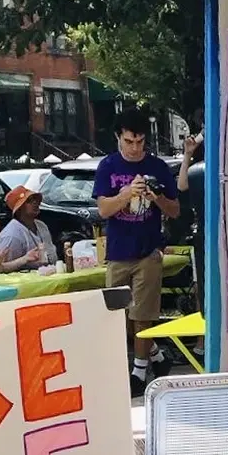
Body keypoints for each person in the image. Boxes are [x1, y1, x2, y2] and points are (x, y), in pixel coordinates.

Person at [94, 107, 181, 395]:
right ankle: (156, 356)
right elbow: (104, 209)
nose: (134, 148)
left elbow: (175, 210)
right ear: (118, 138)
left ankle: (139, 370)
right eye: (129, 141)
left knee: (142, 314)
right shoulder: (108, 167)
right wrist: (126, 193)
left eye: (140, 142)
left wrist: (156, 197)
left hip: (148, 250)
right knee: (119, 314)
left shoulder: (157, 167)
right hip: (118, 251)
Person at [177, 130, 207, 313]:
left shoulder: (200, 172)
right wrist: (188, 154)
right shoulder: (198, 172)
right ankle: (201, 341)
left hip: (206, 236)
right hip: (204, 236)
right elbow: (182, 186)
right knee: (201, 288)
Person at [0, 186, 58, 270]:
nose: (35, 202)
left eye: (36, 199)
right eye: (29, 201)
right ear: (19, 209)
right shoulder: (11, 235)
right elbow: (2, 269)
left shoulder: (41, 225)